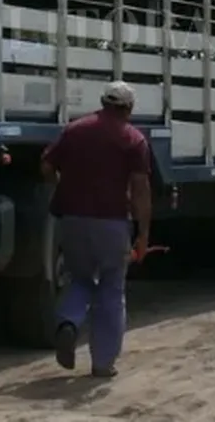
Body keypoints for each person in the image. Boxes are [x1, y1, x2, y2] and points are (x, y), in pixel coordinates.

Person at [40, 80, 153, 379]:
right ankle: (103, 363)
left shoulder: (75, 130)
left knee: (79, 279)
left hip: (73, 220)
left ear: (102, 102)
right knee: (111, 288)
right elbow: (141, 189)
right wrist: (143, 233)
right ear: (128, 108)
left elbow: (46, 167)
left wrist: (62, 188)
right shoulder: (133, 139)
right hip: (112, 223)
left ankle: (68, 322)